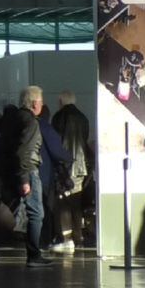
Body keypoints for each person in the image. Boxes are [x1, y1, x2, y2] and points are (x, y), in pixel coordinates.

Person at [2, 86, 52, 268]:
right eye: (40, 101)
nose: (42, 104)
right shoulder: (31, 122)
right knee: (36, 213)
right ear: (34, 103)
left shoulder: (12, 119)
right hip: (28, 171)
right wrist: (24, 179)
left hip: (11, 172)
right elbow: (25, 151)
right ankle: (34, 255)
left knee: (7, 212)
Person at [52, 92, 89, 252]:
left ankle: (66, 238)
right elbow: (85, 140)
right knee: (76, 202)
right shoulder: (83, 118)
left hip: (64, 166)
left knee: (63, 203)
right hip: (80, 166)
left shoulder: (58, 117)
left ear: (61, 101)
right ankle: (78, 236)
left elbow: (56, 143)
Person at [37, 107, 72, 251]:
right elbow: (58, 151)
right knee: (47, 208)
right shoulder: (46, 127)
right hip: (45, 173)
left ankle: (38, 241)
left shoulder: (29, 125)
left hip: (32, 172)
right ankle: (46, 241)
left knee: (36, 209)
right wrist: (70, 157)